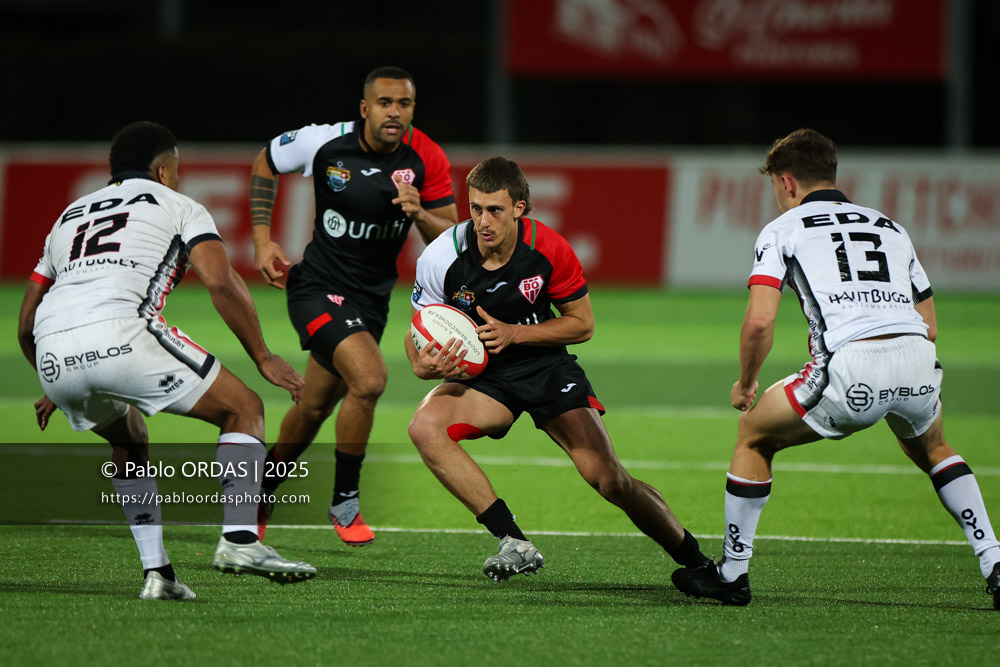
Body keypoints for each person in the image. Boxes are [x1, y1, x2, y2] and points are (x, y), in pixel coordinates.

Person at [670, 129, 1000, 609]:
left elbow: (761, 320)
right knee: (935, 448)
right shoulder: (889, 225)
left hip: (850, 367)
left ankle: (732, 574)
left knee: (753, 435)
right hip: (916, 357)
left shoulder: (784, 229)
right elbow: (928, 322)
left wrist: (746, 383)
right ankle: (994, 560)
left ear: (786, 183)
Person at [17, 121, 317, 601]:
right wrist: (262, 356)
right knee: (244, 408)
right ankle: (240, 541)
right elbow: (221, 282)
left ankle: (159, 574)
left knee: (129, 437)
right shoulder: (180, 205)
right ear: (163, 169)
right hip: (122, 333)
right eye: (176, 169)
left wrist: (57, 379)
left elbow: (26, 321)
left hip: (53, 354)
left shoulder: (68, 215)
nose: (178, 177)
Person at [406, 156, 712, 582]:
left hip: (546, 367)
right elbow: (418, 328)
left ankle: (697, 561)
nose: (483, 221)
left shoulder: (548, 248)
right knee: (424, 427)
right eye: (475, 209)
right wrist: (421, 362)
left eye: (494, 210)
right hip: (486, 378)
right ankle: (513, 541)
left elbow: (582, 324)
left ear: (520, 207)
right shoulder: (442, 255)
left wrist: (515, 334)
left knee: (608, 480)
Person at [250, 66, 457, 546]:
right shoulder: (325, 143)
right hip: (316, 286)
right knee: (370, 379)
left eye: (404, 104)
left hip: (371, 300)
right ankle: (345, 501)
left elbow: (446, 238)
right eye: (385, 103)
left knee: (316, 407)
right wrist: (262, 240)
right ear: (365, 108)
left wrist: (417, 211)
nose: (395, 113)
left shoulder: (425, 157)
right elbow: (265, 160)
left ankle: (256, 492)